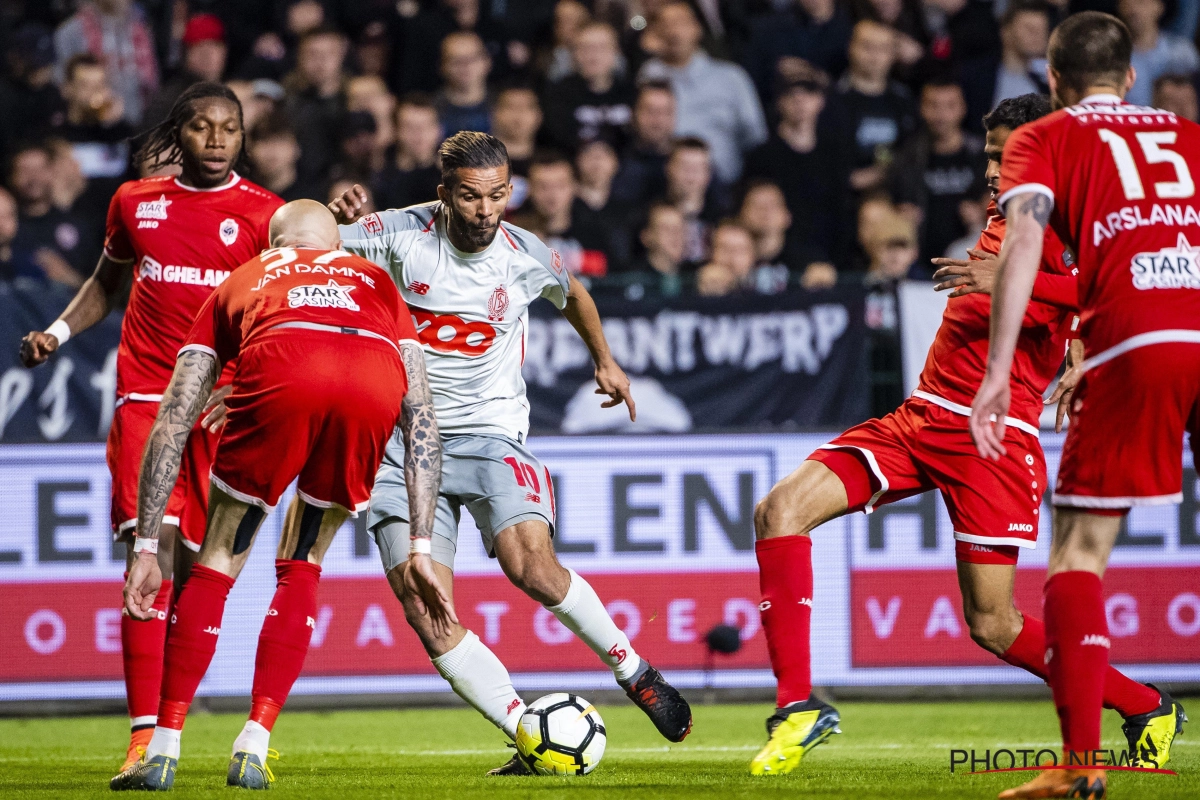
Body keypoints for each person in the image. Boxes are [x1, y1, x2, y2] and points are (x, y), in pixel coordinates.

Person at [749, 91, 1177, 787]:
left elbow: (1118, 288)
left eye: (1006, 155)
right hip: (921, 418)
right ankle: (797, 707)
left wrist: (1012, 282)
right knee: (777, 511)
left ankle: (1144, 704)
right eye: (987, 154)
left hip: (994, 442)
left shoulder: (1076, 221)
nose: (991, 168)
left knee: (995, 625)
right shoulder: (1009, 213)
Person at [328, 131, 693, 775]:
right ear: (443, 195)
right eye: (471, 196)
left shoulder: (526, 254)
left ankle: (634, 672)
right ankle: (527, 731)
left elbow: (574, 294)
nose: (486, 210)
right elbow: (301, 244)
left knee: (533, 568)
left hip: (492, 430)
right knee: (426, 608)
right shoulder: (394, 234)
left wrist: (604, 361)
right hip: (397, 444)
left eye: (498, 194)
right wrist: (330, 216)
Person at [109, 201, 447, 791]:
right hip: (371, 382)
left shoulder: (245, 277)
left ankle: (161, 748)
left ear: (271, 246)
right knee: (303, 562)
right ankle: (256, 739)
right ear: (336, 245)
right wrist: (421, 543)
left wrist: (144, 545)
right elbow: (421, 418)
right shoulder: (377, 282)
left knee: (217, 560)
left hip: (282, 365)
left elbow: (174, 416)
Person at [18, 82, 284, 774]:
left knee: (199, 579)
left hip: (223, 410)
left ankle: (167, 734)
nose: (218, 139)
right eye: (202, 127)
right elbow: (106, 284)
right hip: (148, 398)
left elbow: (278, 315)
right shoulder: (136, 202)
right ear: (180, 133)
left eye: (230, 127)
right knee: (152, 557)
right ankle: (142, 742)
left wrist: (247, 386)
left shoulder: (265, 216)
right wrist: (56, 332)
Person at [971, 13, 1193, 797]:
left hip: (1138, 340)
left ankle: (1077, 767)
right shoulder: (1187, 135)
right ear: (1132, 77)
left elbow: (1025, 240)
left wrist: (999, 373)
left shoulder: (1049, 137)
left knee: (1075, 557)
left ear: (1055, 83)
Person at [637, 1, 767, 184]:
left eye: (681, 22)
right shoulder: (648, 75)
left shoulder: (732, 78)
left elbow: (755, 137)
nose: (673, 31)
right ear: (656, 32)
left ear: (697, 29)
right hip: (661, 184)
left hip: (726, 184)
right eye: (665, 24)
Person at [743, 67, 852, 278]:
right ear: (779, 103)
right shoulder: (761, 156)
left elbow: (841, 210)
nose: (800, 101)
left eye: (808, 93)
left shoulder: (834, 154)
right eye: (791, 95)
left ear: (820, 101)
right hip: (777, 264)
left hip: (828, 261)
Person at [890, 79, 986, 268]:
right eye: (933, 105)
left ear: (962, 108)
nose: (941, 115)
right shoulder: (907, 156)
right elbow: (892, 200)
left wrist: (983, 214)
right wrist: (900, 216)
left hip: (969, 257)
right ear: (921, 108)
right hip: (915, 261)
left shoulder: (983, 155)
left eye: (950, 106)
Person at [823, 20, 918, 195]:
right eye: (867, 46)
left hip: (897, 193)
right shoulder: (828, 101)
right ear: (850, 47)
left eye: (883, 49)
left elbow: (914, 153)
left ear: (893, 55)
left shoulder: (905, 101)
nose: (874, 56)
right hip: (841, 196)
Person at [54, 0, 158, 125]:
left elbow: (152, 83)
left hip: (134, 127)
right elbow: (62, 85)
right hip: (84, 129)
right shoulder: (71, 32)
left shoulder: (141, 29)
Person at [540, 21, 636, 153]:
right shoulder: (558, 93)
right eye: (586, 48)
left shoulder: (632, 92)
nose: (593, 56)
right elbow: (558, 139)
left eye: (602, 47)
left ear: (616, 52)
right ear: (574, 54)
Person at [143, 14, 228, 127]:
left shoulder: (229, 92)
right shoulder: (171, 100)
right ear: (185, 55)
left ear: (224, 51)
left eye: (214, 45)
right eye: (199, 47)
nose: (208, 55)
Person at [1119, 0, 1199, 107]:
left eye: (1141, 3)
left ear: (1159, 7)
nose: (1133, 10)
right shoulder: (1115, 57)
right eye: (1126, 4)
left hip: (1175, 121)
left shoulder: (1182, 52)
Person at [374, 93, 444, 211]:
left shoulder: (451, 180)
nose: (419, 133)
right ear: (396, 130)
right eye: (409, 127)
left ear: (438, 130)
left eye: (425, 126)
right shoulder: (379, 181)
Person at [610, 81, 676, 205]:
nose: (657, 120)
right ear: (633, 114)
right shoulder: (615, 160)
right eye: (650, 111)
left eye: (665, 112)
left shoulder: (689, 161)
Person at [436, 32, 492, 137]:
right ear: (442, 66)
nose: (465, 65)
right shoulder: (431, 110)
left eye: (472, 58)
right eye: (455, 60)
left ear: (487, 61)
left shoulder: (505, 106)